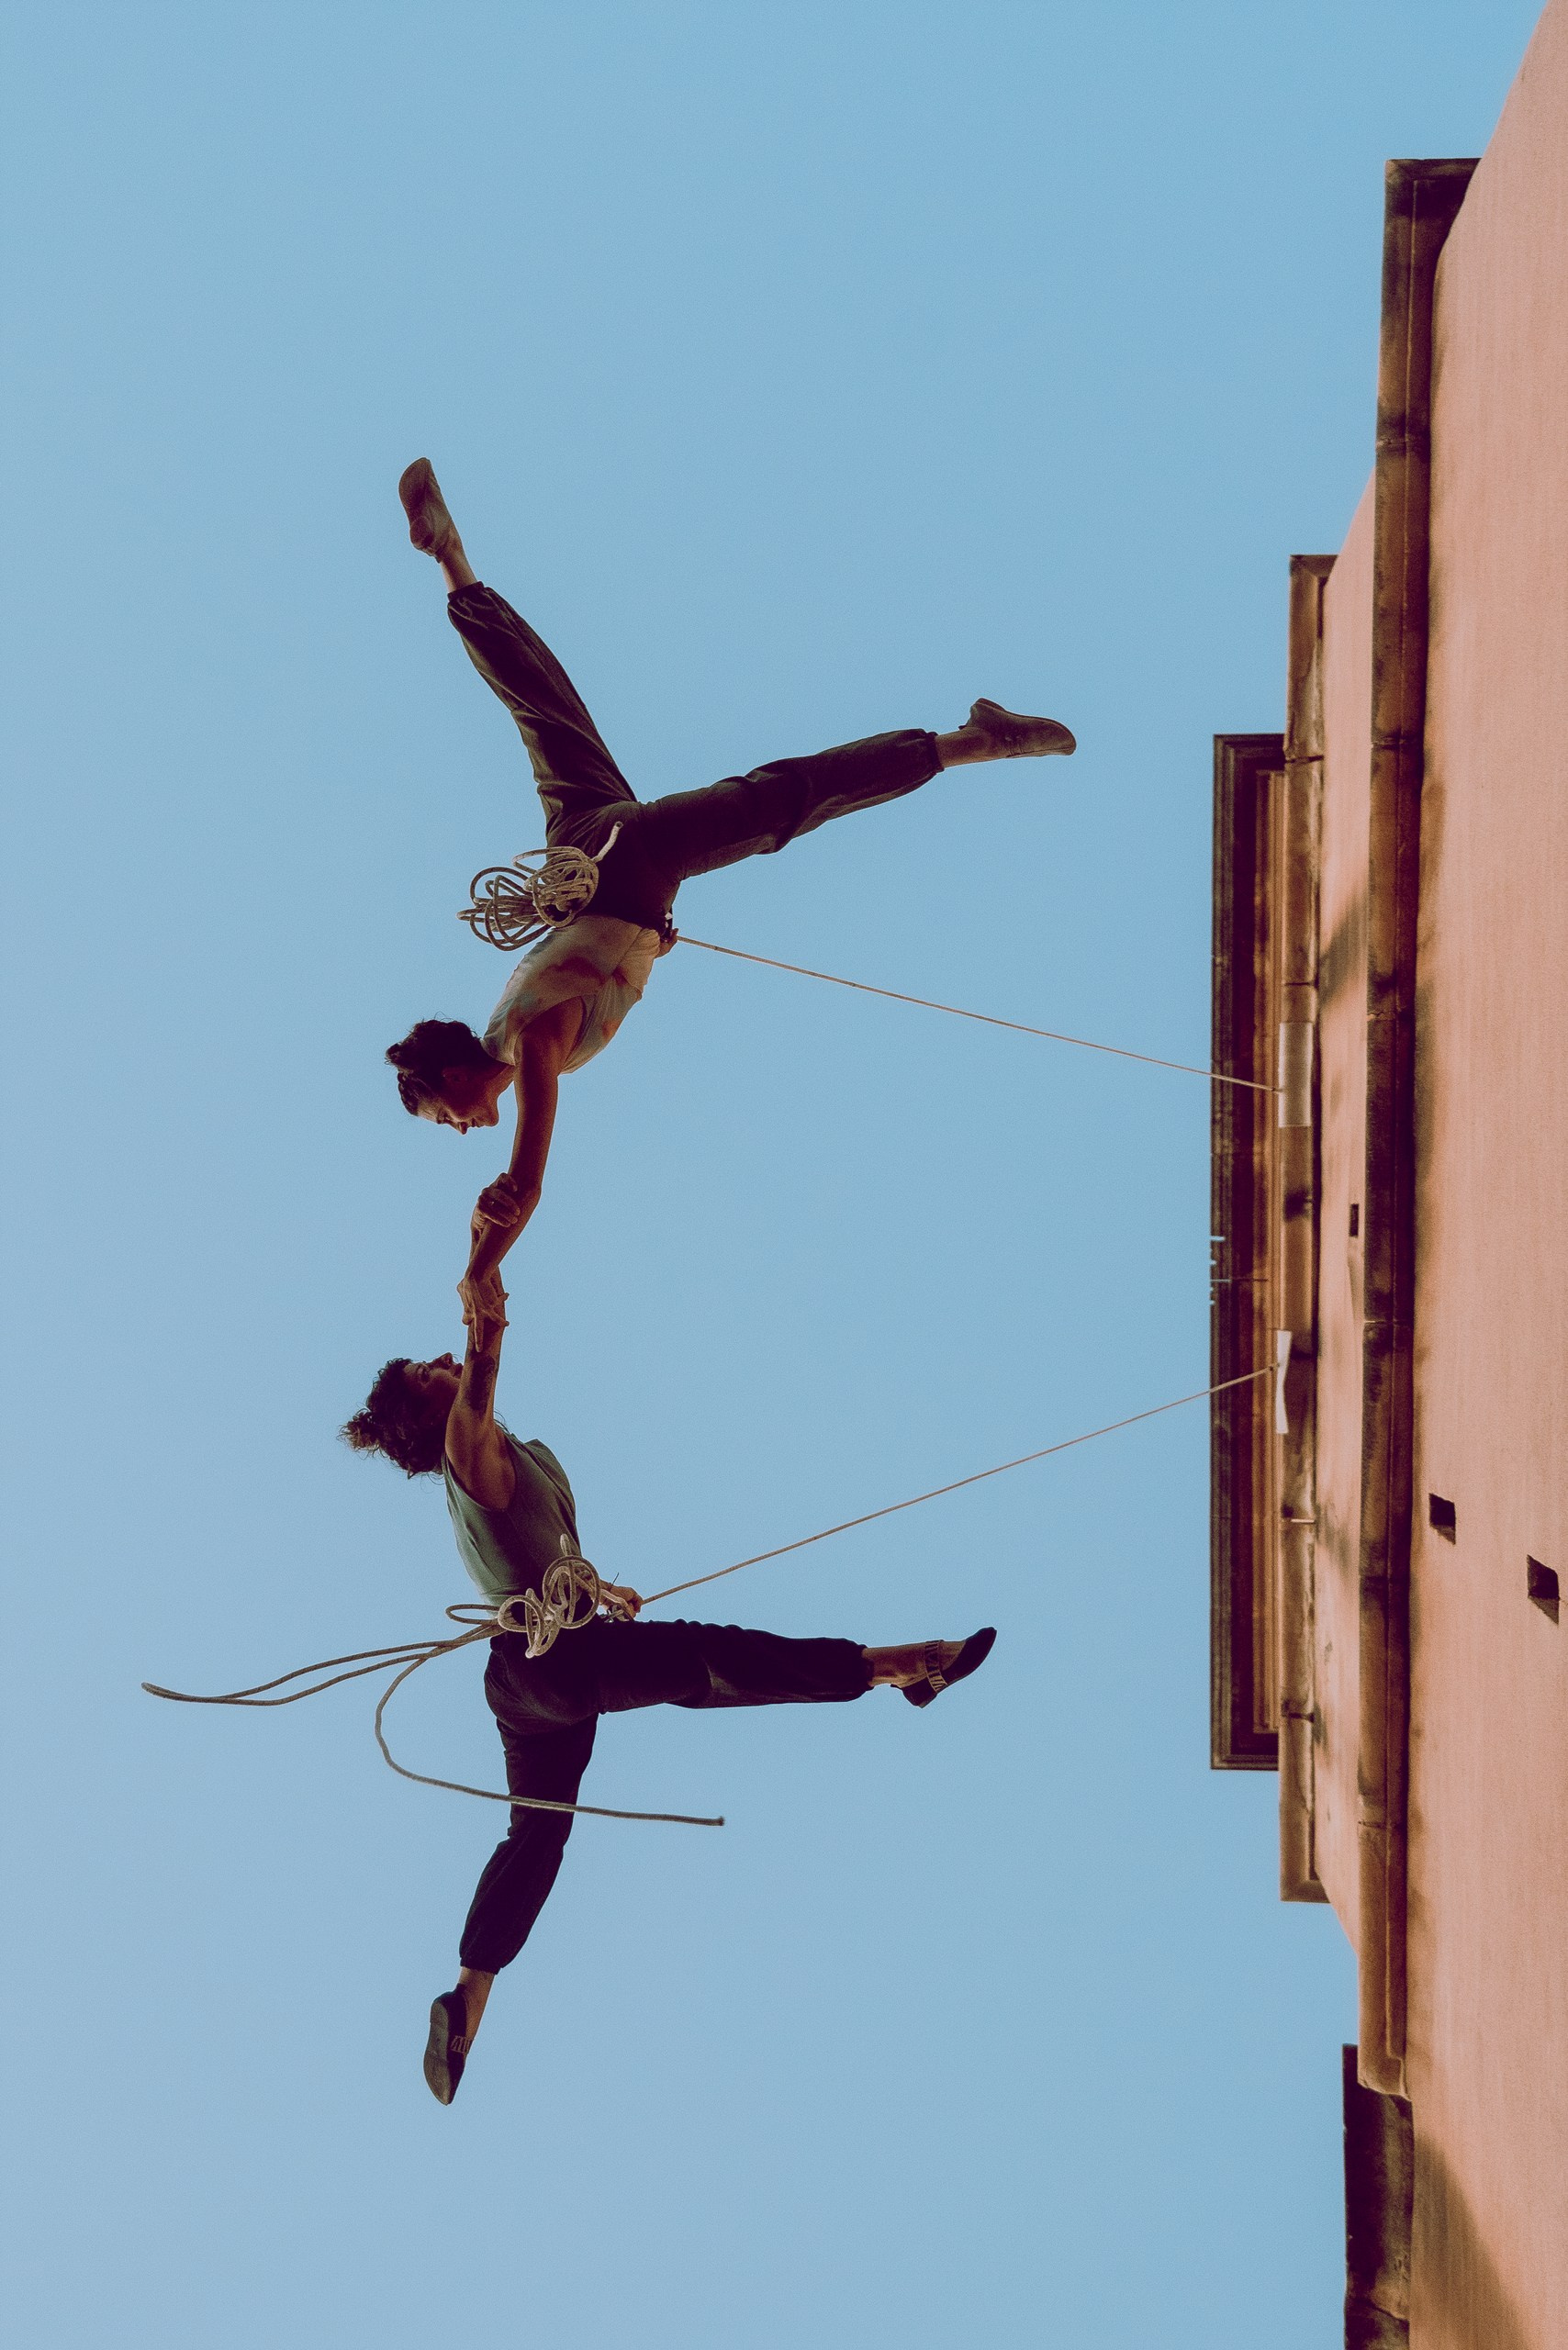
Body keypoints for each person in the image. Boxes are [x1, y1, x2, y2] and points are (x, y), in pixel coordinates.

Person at [387, 458, 1077, 1321]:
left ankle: (971, 744)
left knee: (780, 802)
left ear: (452, 1077)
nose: (455, 1131)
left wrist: (481, 1266)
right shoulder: (511, 1020)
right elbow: (595, 961)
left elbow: (526, 1180)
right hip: (591, 851)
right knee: (544, 710)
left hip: (624, 865)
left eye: (440, 1116)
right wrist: (649, 942)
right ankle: (453, 563)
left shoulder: (525, 1052)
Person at [341, 1270, 997, 2106]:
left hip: (533, 1683)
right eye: (430, 1378)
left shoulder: (523, 1456)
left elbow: (546, 1550)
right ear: (435, 1414)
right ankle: (904, 1665)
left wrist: (598, 1592)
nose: (442, 1365)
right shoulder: (465, 1454)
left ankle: (469, 1994)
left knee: (538, 1833)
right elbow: (482, 1359)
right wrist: (483, 1293)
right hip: (547, 1667)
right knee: (708, 1659)